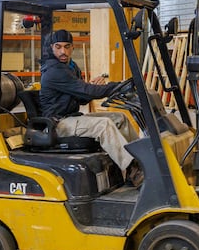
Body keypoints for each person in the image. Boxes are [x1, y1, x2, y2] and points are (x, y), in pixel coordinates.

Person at [39, 30, 142, 183]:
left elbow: (82, 98)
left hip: (71, 118)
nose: (63, 51)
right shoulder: (54, 71)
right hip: (58, 123)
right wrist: (116, 86)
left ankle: (142, 159)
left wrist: (92, 87)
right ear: (51, 48)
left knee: (119, 118)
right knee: (103, 125)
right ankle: (133, 169)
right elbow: (87, 92)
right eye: (58, 47)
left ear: (73, 48)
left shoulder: (71, 68)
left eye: (67, 47)